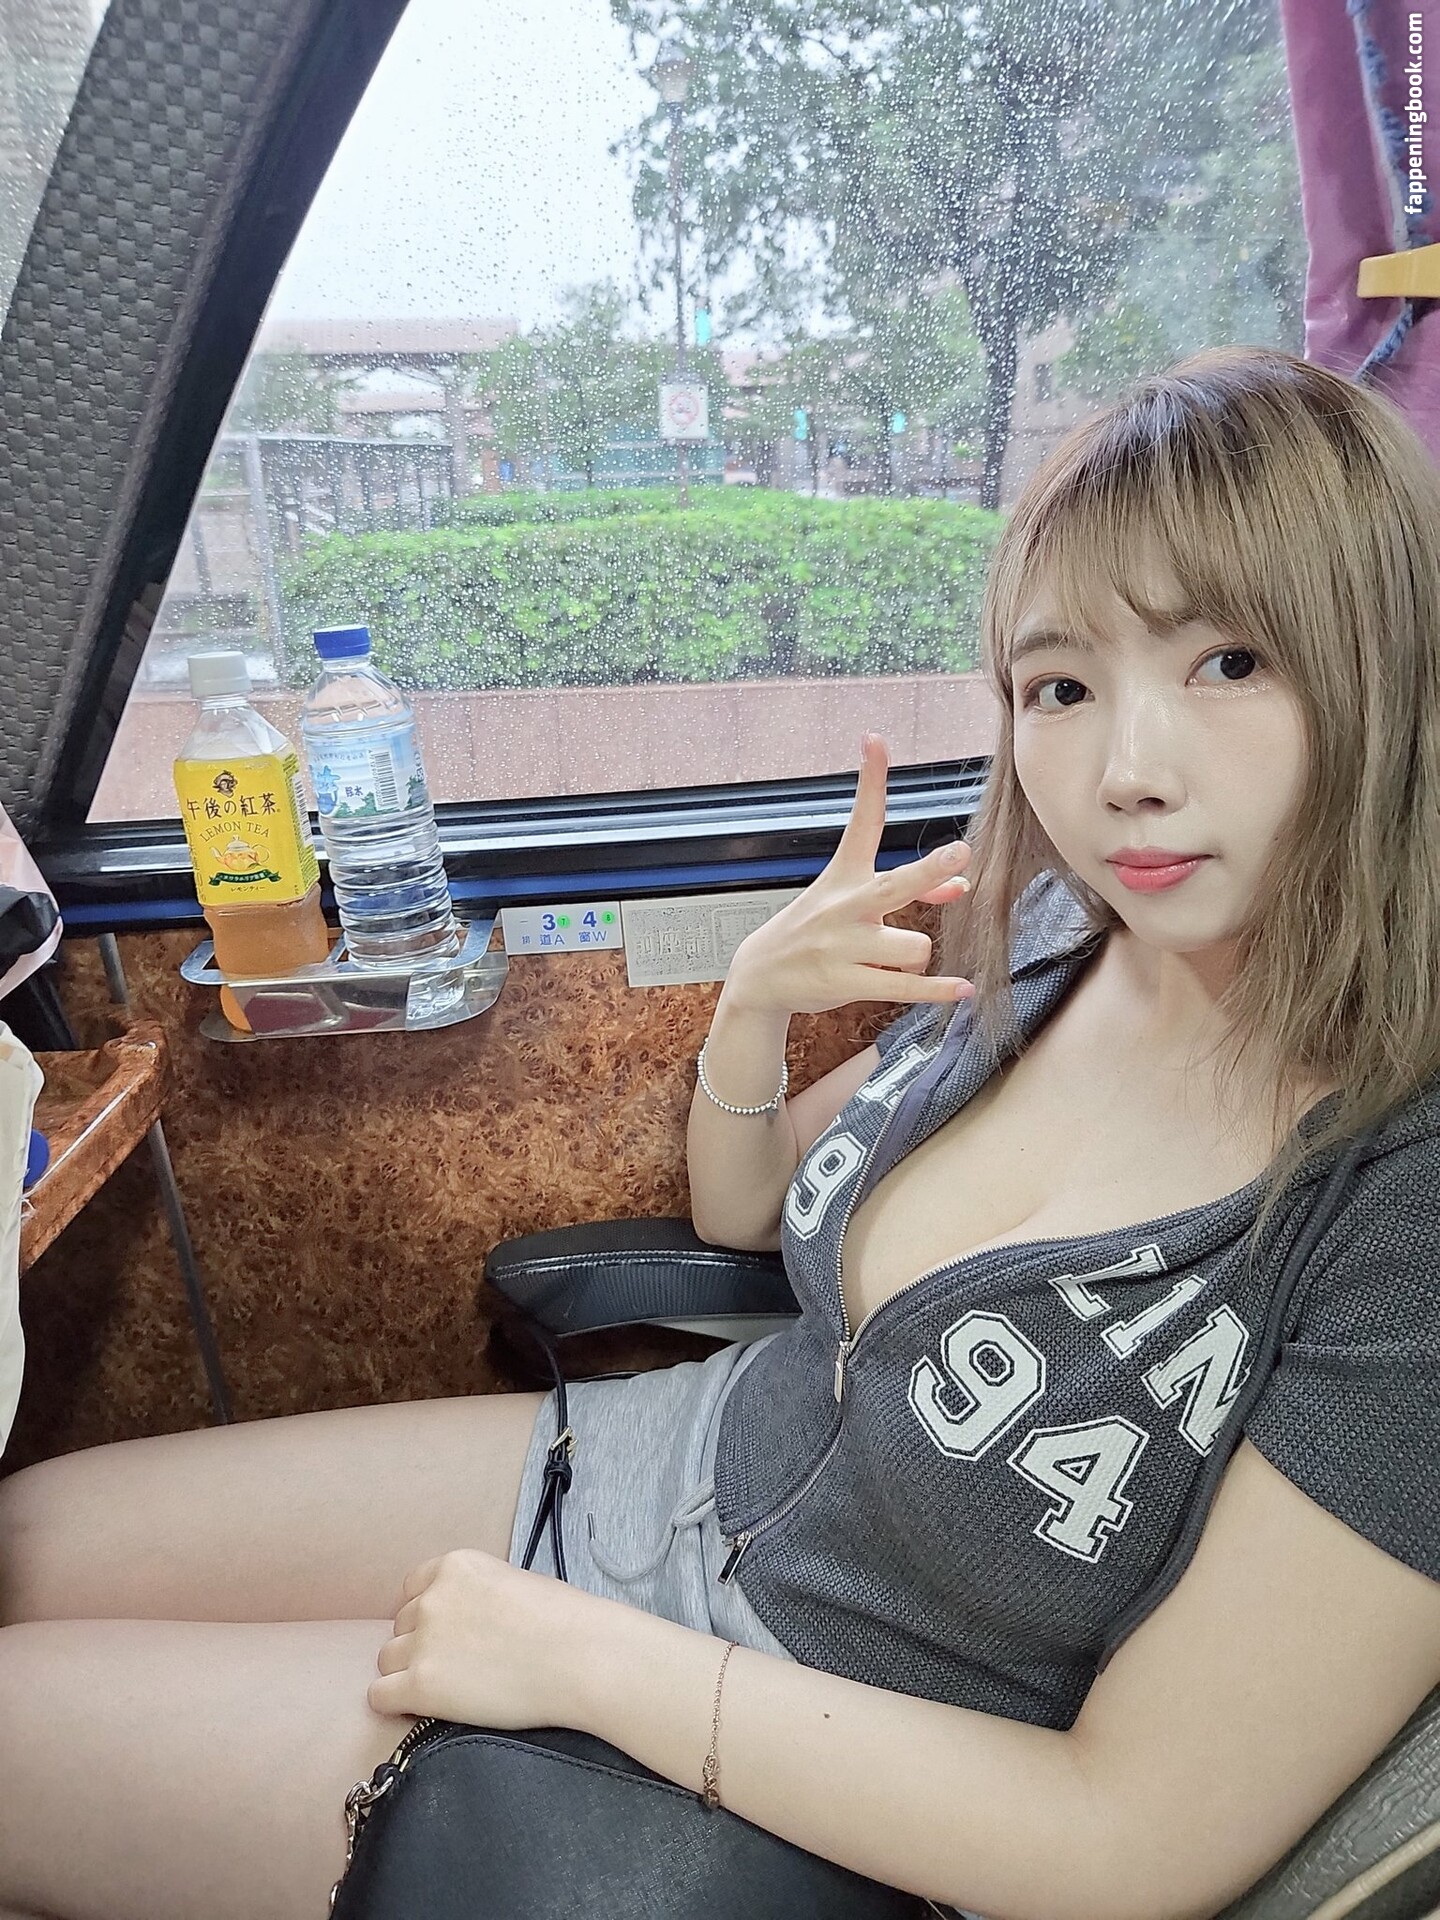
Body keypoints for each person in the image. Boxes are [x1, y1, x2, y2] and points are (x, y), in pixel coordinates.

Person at [1, 341, 1438, 1920]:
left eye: (1229, 662)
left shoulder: (1402, 1207)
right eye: (1063, 687)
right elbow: (751, 1211)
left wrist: (593, 1664)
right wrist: (752, 1008)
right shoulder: (1065, 934)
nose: (1128, 775)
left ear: (1385, 669)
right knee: (28, 1544)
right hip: (669, 1465)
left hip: (809, 1737)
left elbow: (1131, 1839)